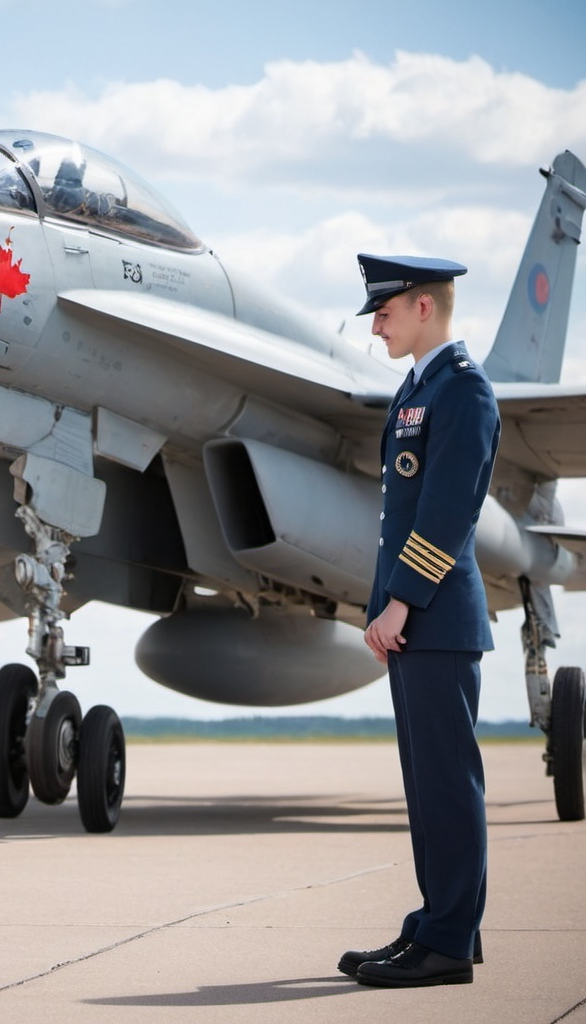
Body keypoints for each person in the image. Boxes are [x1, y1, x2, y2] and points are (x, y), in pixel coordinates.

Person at [339, 254, 500, 987]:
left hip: (436, 617)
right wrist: (384, 610)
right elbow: (396, 516)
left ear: (424, 309)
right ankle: (439, 927)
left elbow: (446, 512)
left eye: (386, 310)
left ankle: (446, 941)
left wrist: (401, 601)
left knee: (446, 785)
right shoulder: (419, 389)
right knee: (426, 789)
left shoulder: (463, 392)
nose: (376, 324)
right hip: (415, 622)